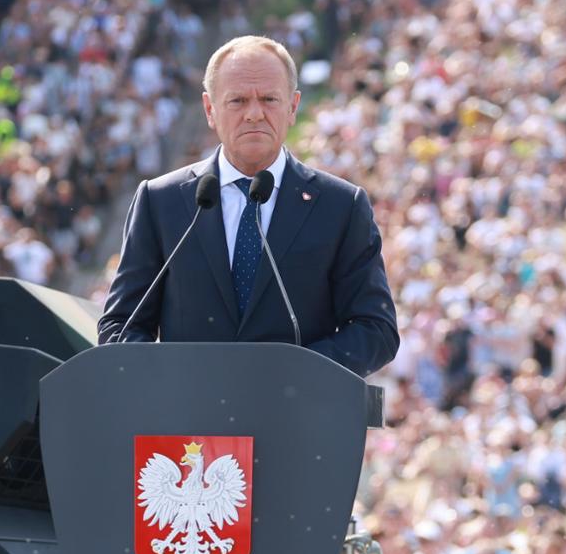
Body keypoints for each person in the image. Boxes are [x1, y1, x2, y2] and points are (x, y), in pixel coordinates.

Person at [97, 35, 399, 377]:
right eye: (238, 101)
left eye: (269, 99)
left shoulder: (341, 206)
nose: (254, 114)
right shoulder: (161, 201)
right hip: (188, 421)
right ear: (210, 110)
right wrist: (176, 381)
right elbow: (120, 326)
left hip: (298, 416)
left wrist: (289, 373)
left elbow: (377, 331)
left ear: (293, 107)